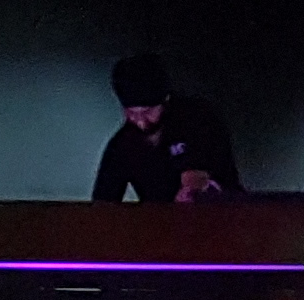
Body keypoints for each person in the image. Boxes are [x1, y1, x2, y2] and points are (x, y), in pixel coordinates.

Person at [92, 54, 241, 204]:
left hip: (224, 212)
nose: (141, 122)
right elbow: (103, 202)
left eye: (147, 112)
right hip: (160, 218)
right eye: (131, 113)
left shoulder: (197, 118)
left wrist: (191, 190)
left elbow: (196, 178)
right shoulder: (121, 145)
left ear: (165, 100)